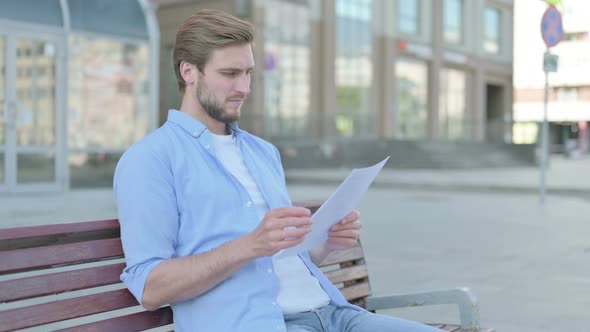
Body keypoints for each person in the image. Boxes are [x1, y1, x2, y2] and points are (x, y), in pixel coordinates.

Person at [114, 9, 441, 332]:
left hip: (336, 314)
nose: (244, 87)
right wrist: (249, 245)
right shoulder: (150, 160)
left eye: (249, 73)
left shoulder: (263, 153)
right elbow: (151, 288)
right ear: (189, 72)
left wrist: (327, 240)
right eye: (230, 74)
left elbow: (284, 259)